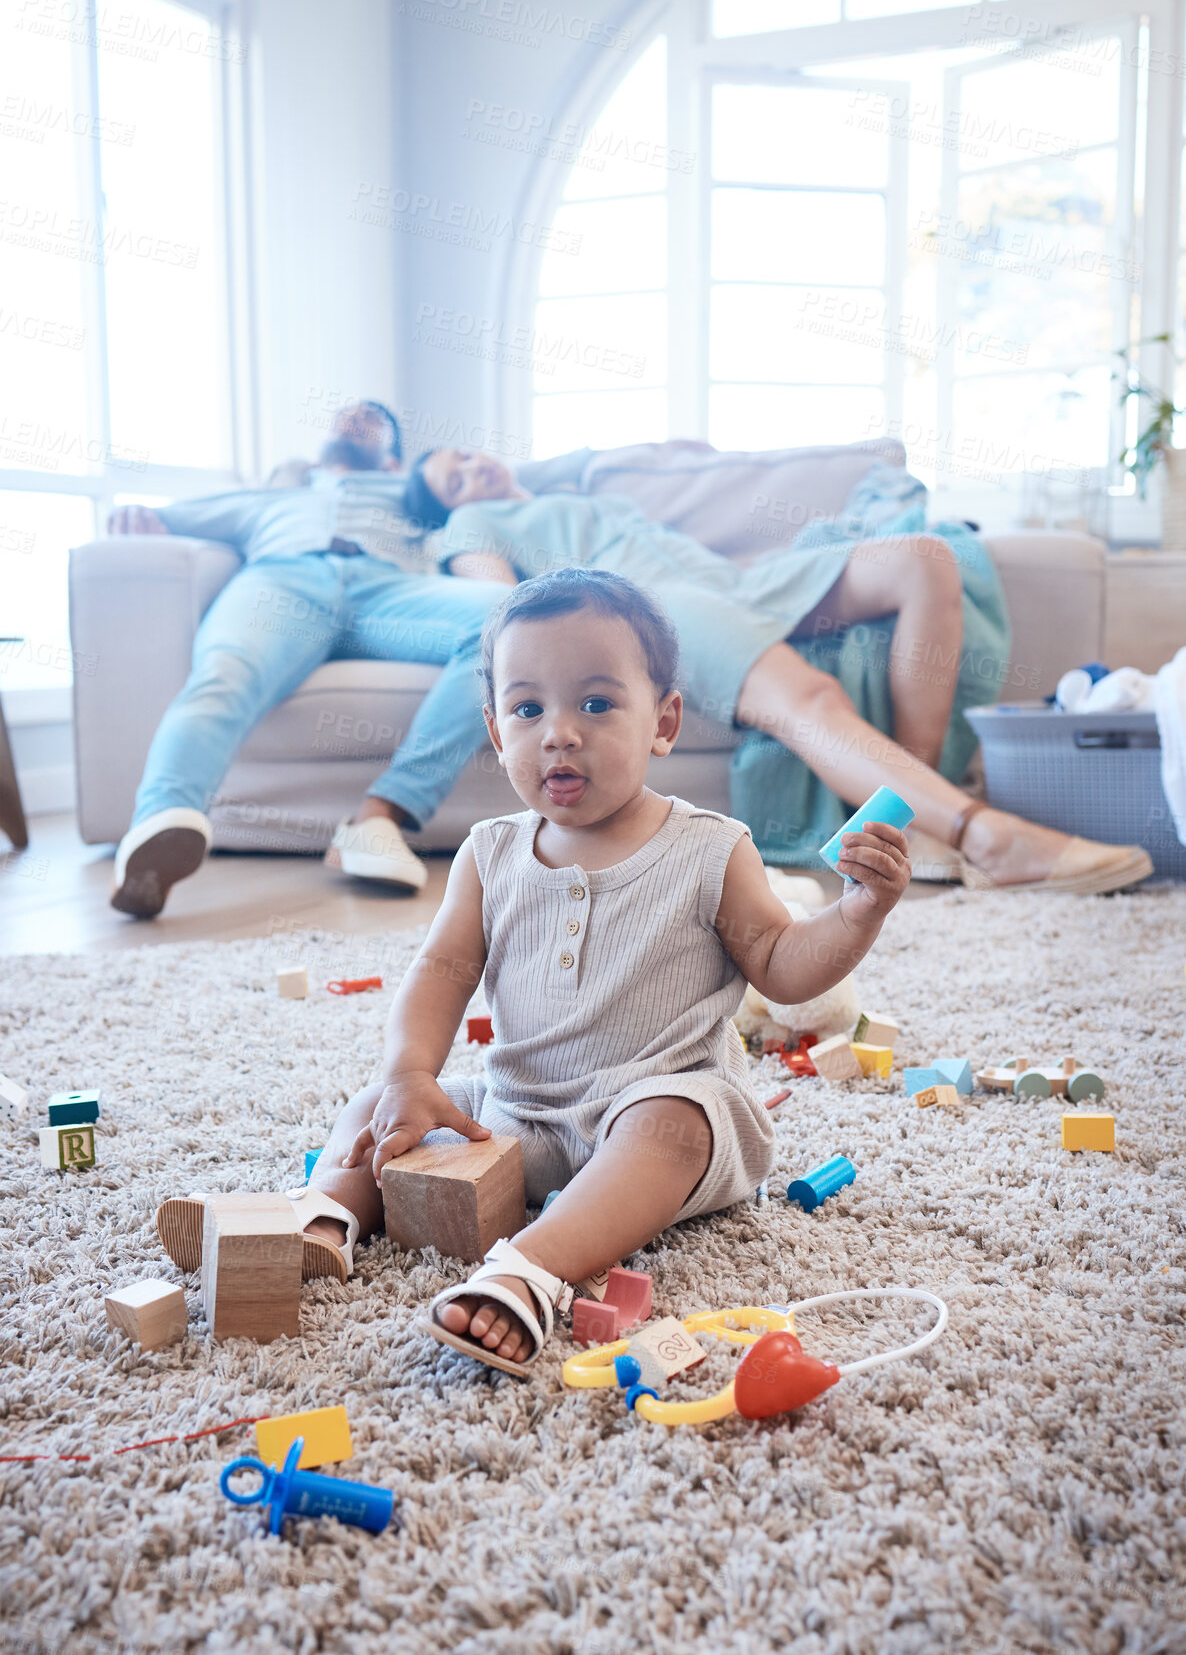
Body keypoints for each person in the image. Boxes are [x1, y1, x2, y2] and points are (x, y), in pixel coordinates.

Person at [154, 569, 912, 1372]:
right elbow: (442, 969)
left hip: (653, 1113)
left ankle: (530, 1268)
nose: (559, 732)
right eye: (527, 709)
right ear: (495, 730)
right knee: (380, 1099)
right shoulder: (489, 853)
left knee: (673, 1121)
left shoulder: (712, 849)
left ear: (665, 721)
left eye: (594, 703)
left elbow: (784, 965)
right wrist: (413, 1071)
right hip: (514, 1115)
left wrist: (858, 910)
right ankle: (326, 1217)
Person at [399, 445, 1152, 895]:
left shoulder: (584, 493)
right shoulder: (474, 527)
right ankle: (988, 838)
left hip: (741, 578)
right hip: (657, 606)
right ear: (447, 511)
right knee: (811, 699)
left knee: (927, 560)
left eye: (466, 455)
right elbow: (505, 612)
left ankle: (914, 821)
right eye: (452, 478)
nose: (471, 469)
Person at [105, 402, 512, 917]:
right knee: (226, 672)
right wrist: (136, 517)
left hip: (390, 591)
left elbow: (496, 501)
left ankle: (380, 816)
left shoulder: (414, 491)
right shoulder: (272, 496)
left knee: (503, 623)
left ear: (393, 462)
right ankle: (161, 827)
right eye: (345, 416)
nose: (352, 421)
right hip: (282, 585)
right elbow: (162, 517)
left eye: (371, 421)